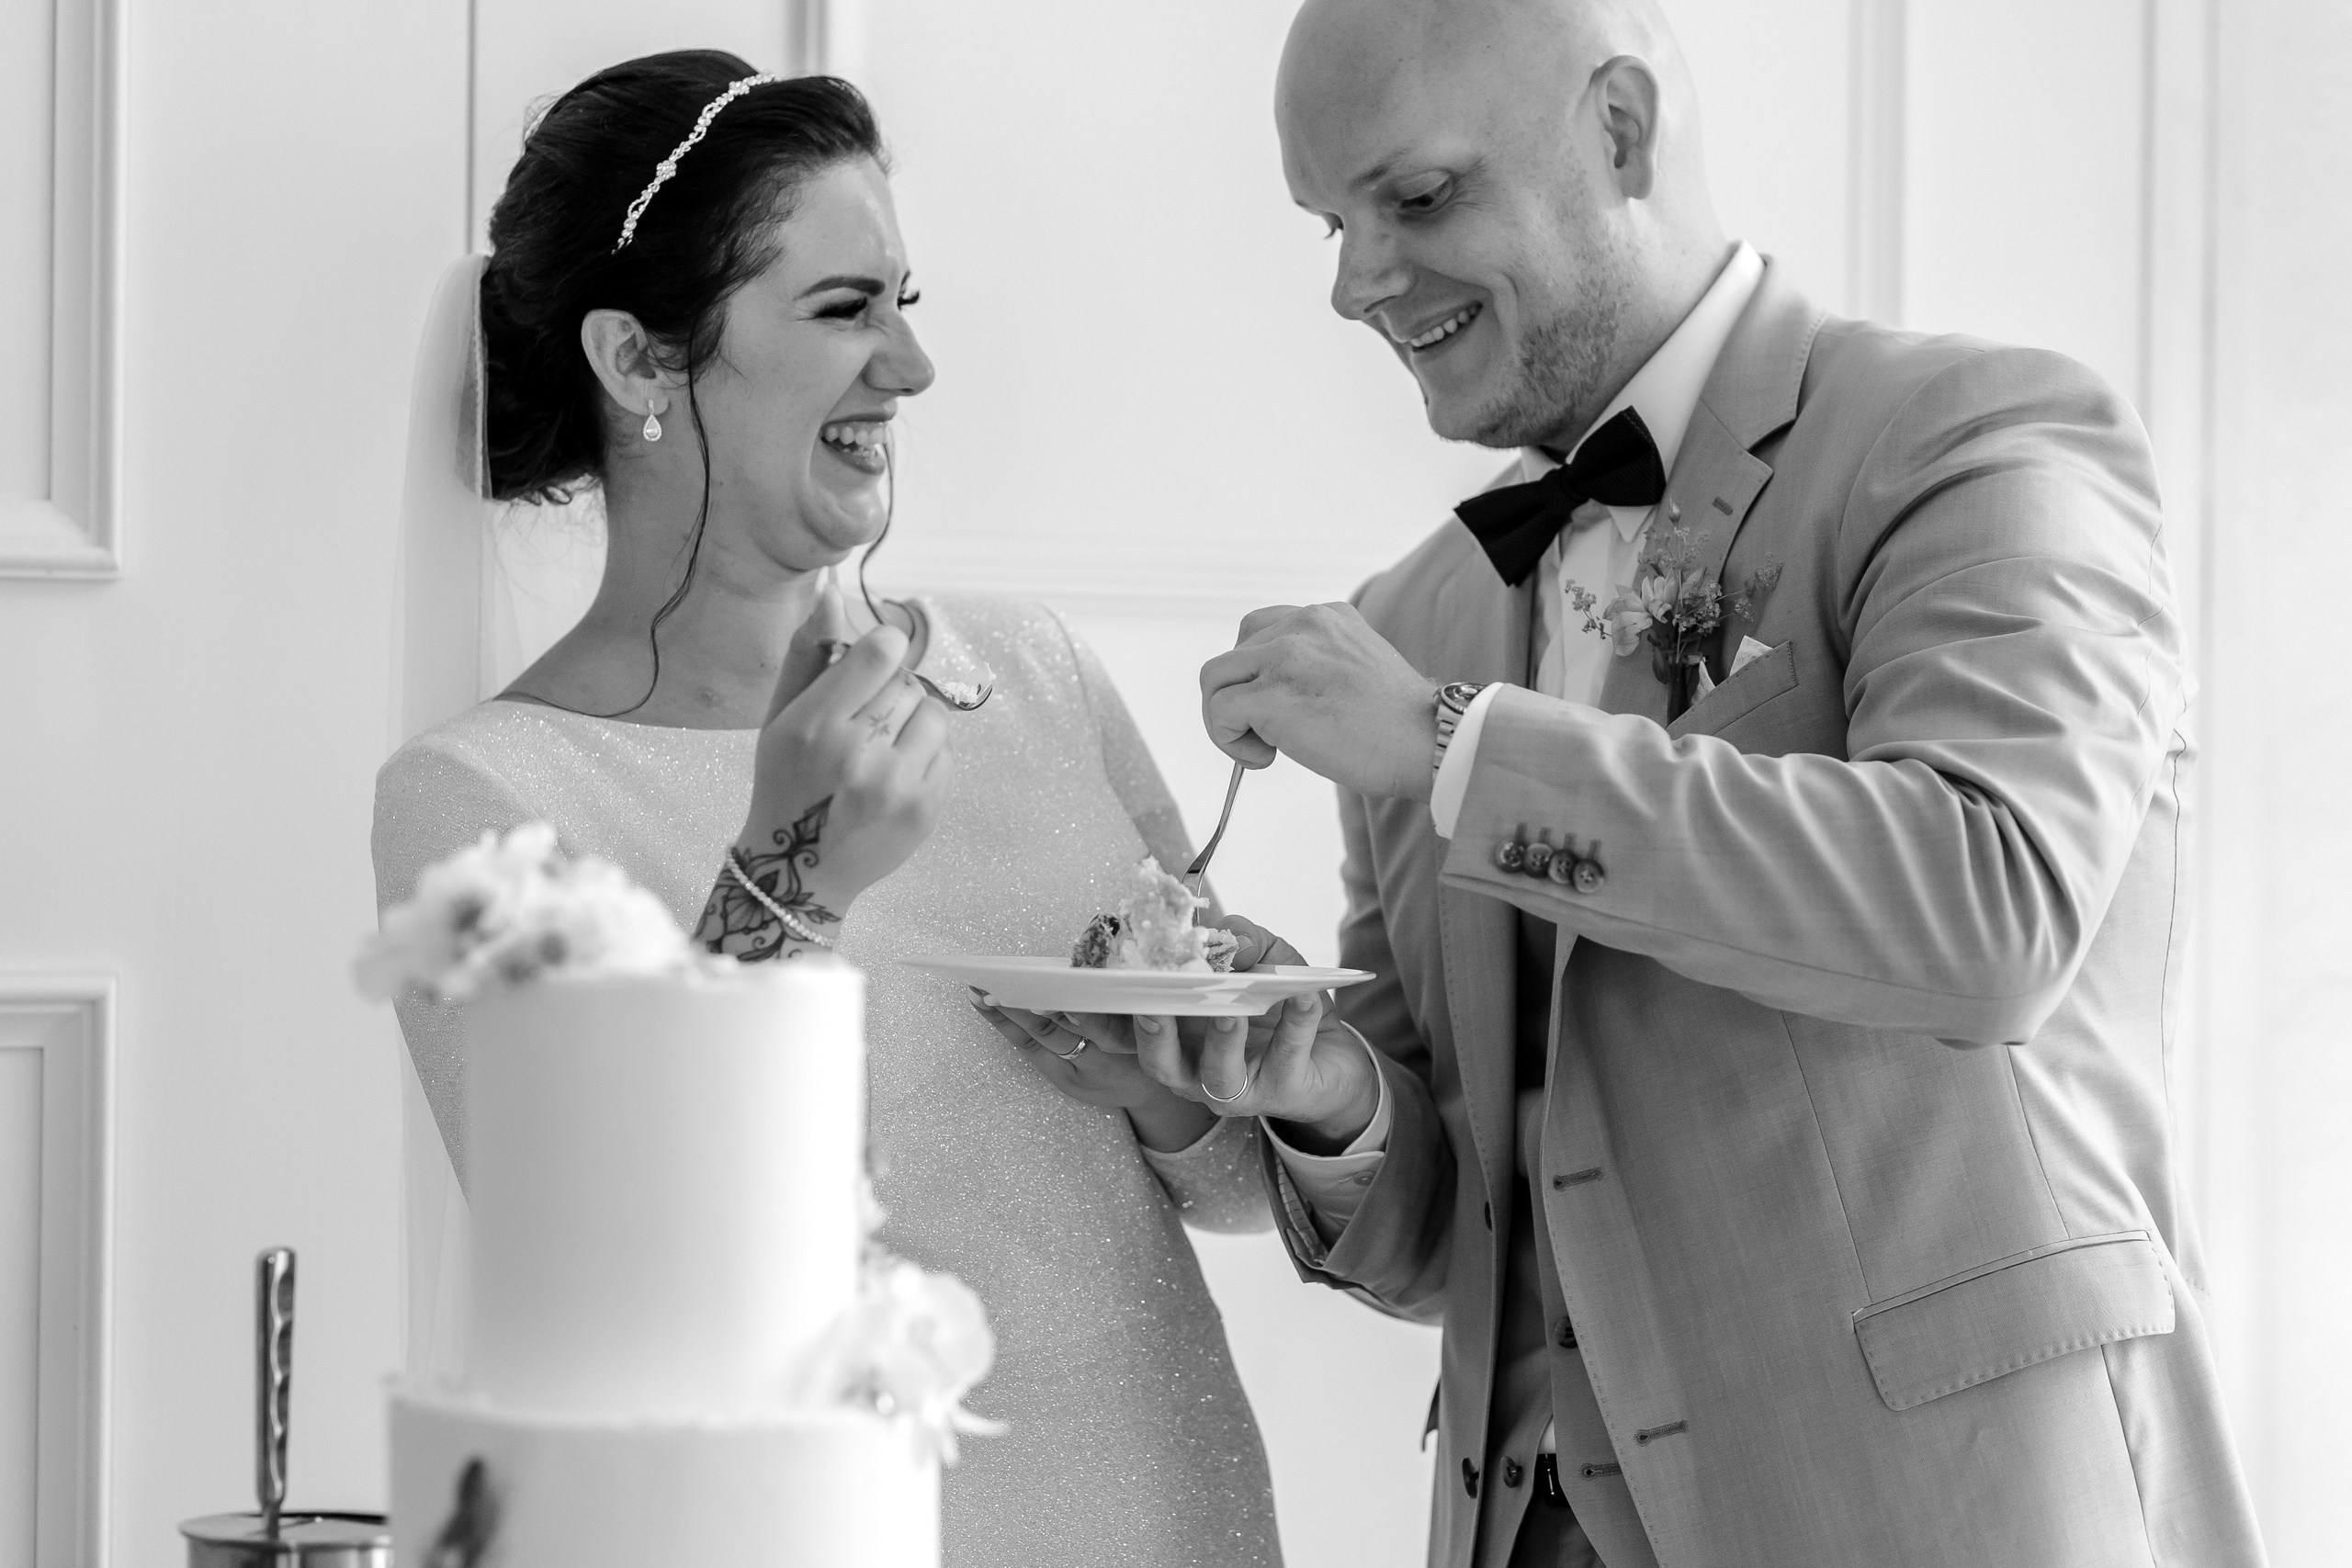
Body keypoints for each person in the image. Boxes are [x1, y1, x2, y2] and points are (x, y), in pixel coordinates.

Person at [1129, 3, 2269, 1566]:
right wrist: (1318, 1092)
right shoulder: (1418, 622)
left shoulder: (1974, 439)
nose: (1352, 281)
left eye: (1419, 196)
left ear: (1620, 130)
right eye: (1332, 222)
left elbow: (1988, 906)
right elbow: (1462, 1227)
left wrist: (1462, 748)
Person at [370, 52, 1282, 1568]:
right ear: (639, 360)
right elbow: (601, 1307)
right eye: (845, 310)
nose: (911, 370)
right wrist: (788, 877)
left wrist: (1196, 1077)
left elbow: (1234, 1179)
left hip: (1172, 1507)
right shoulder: (479, 799)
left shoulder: (1035, 673)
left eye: (905, 304)